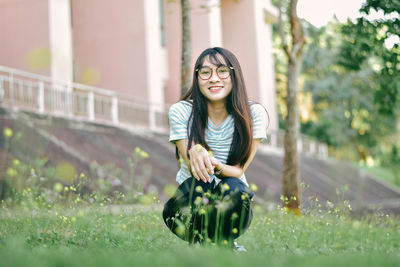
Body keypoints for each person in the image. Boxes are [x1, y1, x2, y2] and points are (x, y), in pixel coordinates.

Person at [162, 47, 268, 250]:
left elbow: (238, 170)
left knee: (235, 187)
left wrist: (216, 164)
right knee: (199, 185)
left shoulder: (253, 114)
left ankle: (222, 244)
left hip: (235, 206)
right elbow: (192, 162)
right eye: (205, 72)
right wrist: (196, 149)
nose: (213, 78)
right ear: (197, 77)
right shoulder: (181, 111)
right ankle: (207, 244)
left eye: (222, 71)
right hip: (186, 207)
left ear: (234, 75)